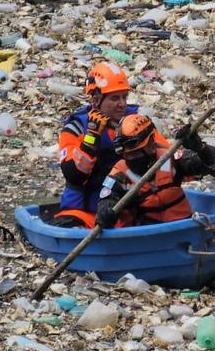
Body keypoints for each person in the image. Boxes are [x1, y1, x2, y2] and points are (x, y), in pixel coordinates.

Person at [51, 61, 166, 228]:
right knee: (69, 225)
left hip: (129, 211)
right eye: (114, 98)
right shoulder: (76, 128)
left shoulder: (137, 124)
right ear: (96, 99)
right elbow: (73, 175)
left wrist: (195, 152)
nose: (122, 104)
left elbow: (168, 158)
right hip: (86, 214)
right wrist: (91, 140)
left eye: (124, 96)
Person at [95, 115, 215, 229]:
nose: (132, 159)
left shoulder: (169, 157)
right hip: (147, 236)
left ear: (150, 144)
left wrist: (200, 148)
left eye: (136, 153)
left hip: (184, 228)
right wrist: (105, 213)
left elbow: (209, 163)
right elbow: (105, 204)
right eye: (128, 155)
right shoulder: (119, 176)